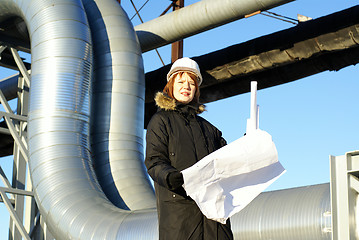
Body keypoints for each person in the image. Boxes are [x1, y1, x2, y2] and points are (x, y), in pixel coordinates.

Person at [145, 57, 234, 240]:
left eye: (191, 83)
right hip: (181, 221)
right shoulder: (161, 122)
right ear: (171, 86)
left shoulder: (210, 130)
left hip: (214, 223)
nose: (186, 86)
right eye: (181, 81)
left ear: (196, 89)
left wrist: (248, 146)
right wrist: (172, 177)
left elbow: (228, 161)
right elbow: (155, 162)